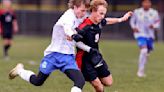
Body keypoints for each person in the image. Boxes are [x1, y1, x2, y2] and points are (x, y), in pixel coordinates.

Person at [8, 0, 100, 92]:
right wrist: (73, 35)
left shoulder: (80, 17)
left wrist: (89, 48)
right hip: (53, 55)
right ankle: (20, 70)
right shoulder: (68, 16)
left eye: (85, 11)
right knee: (38, 81)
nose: (84, 13)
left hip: (67, 57)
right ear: (75, 7)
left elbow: (92, 20)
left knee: (80, 81)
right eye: (82, 10)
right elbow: (67, 28)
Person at [75, 0, 133, 92]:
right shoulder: (84, 26)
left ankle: (95, 78)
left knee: (108, 82)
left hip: (96, 56)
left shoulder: (99, 22)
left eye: (104, 14)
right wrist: (89, 49)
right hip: (84, 60)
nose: (102, 16)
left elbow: (107, 21)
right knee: (99, 87)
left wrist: (121, 19)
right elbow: (76, 42)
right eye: (101, 13)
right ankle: (93, 80)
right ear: (93, 10)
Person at [130, 0, 160, 77]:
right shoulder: (137, 12)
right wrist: (134, 27)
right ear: (142, 3)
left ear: (150, 3)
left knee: (146, 53)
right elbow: (132, 21)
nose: (146, 4)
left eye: (148, 2)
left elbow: (158, 23)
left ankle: (142, 69)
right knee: (144, 50)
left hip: (150, 36)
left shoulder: (154, 13)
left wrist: (154, 26)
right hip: (140, 34)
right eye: (145, 2)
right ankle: (140, 71)